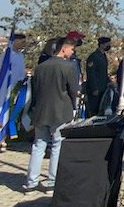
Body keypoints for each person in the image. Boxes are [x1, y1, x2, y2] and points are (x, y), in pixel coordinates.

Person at [23, 37, 79, 191]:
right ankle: (52, 181)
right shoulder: (68, 67)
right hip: (60, 111)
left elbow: (36, 89)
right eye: (71, 49)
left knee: (38, 145)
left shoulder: (41, 67)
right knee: (57, 145)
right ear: (63, 49)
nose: (72, 52)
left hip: (41, 110)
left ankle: (31, 182)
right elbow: (73, 90)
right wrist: (74, 106)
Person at [84, 37, 111, 117]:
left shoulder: (103, 56)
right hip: (95, 89)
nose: (109, 45)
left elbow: (104, 72)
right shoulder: (94, 56)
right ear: (101, 44)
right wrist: (94, 88)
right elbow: (91, 73)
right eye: (107, 44)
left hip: (103, 88)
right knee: (93, 111)